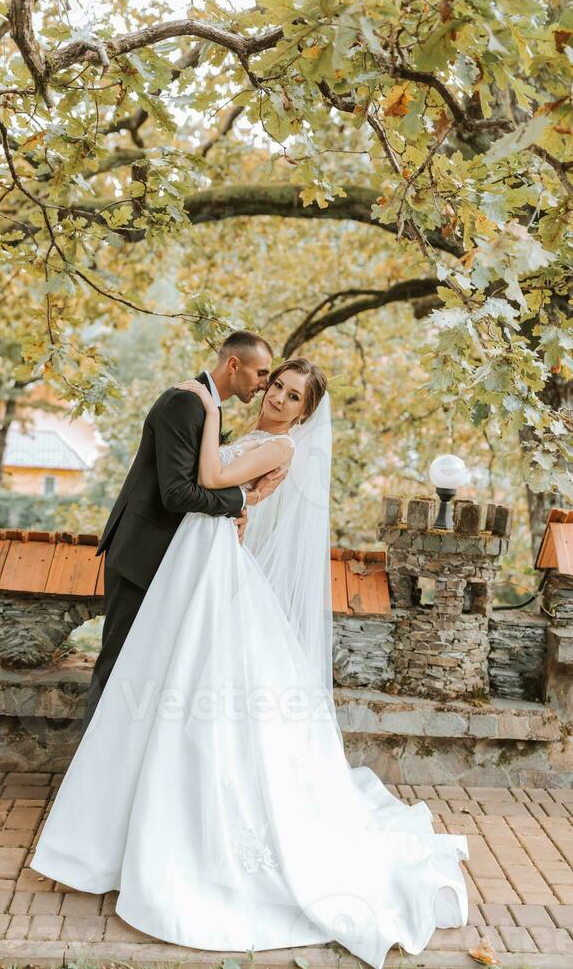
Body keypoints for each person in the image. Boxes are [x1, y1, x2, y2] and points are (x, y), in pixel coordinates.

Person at [30, 358, 469, 969]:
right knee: (163, 674)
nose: (280, 402)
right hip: (202, 554)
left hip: (211, 560)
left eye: (295, 398)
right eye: (278, 388)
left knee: (197, 684)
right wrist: (234, 494)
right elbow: (220, 489)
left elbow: (209, 472)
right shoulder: (261, 437)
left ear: (306, 414)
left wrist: (209, 410)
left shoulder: (278, 446)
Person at [80, 330, 285, 735]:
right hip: (141, 552)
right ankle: (89, 771)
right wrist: (240, 503)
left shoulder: (206, 407)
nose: (265, 384)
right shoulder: (186, 403)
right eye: (261, 373)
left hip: (169, 558)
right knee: (117, 661)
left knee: (148, 666)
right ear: (233, 364)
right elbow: (177, 494)